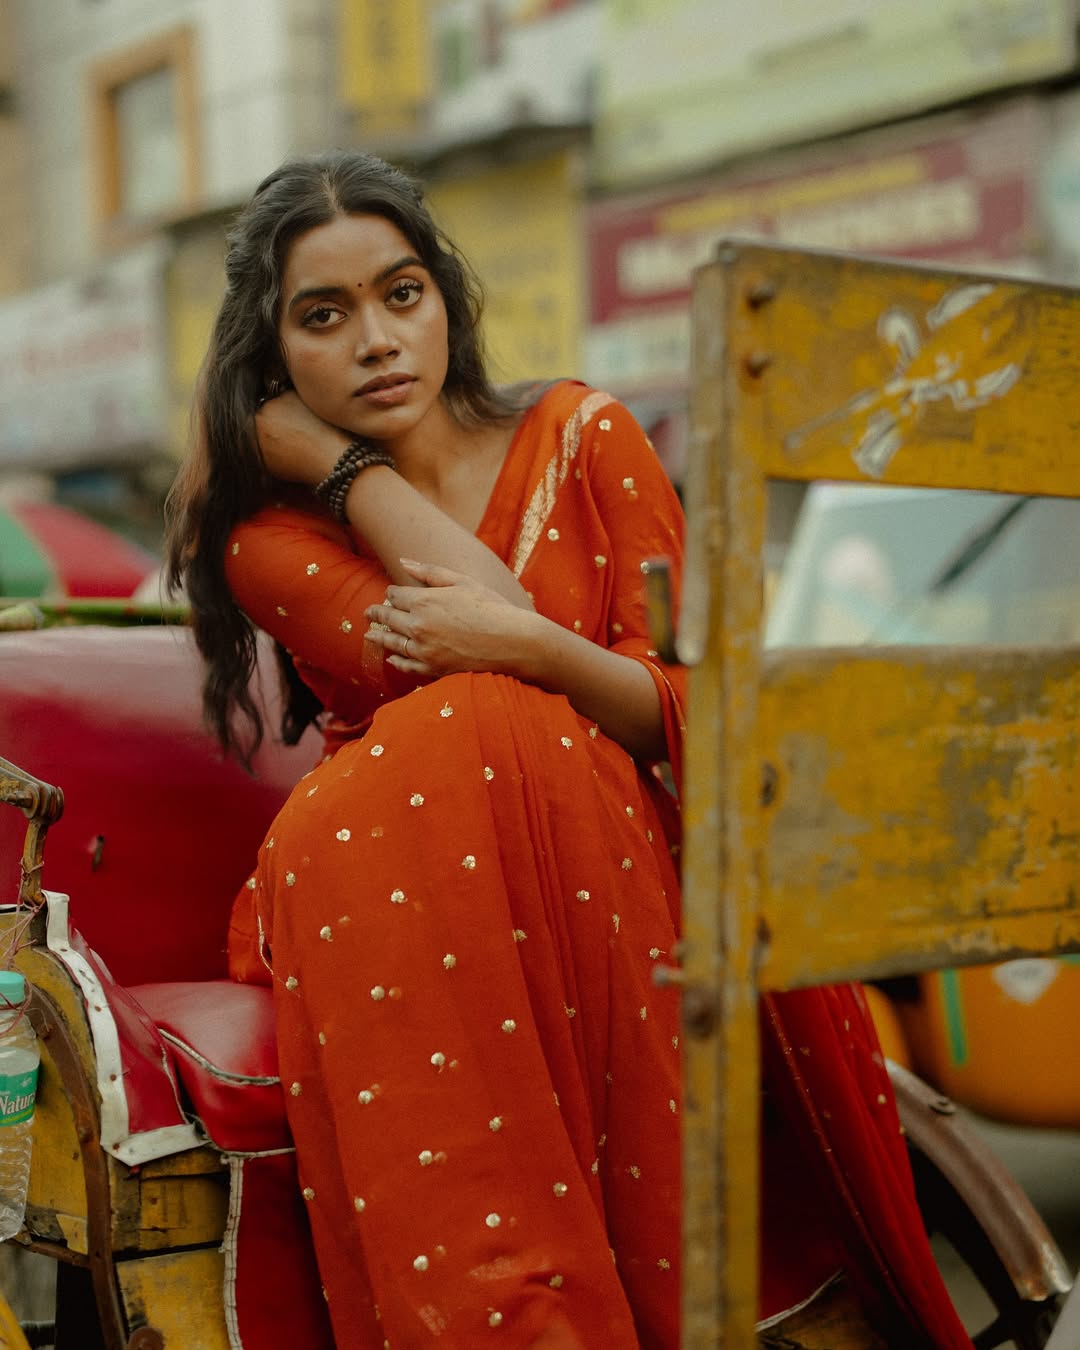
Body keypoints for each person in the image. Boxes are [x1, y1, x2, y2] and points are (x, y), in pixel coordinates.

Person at [164, 150, 972, 1349]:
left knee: (502, 718)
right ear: (272, 356)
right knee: (476, 723)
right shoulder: (268, 537)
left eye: (402, 293)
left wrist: (536, 651)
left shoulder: (585, 437)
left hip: (614, 850)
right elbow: (474, 650)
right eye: (323, 317)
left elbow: (664, 692)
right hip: (397, 879)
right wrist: (347, 472)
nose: (379, 340)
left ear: (447, 297)